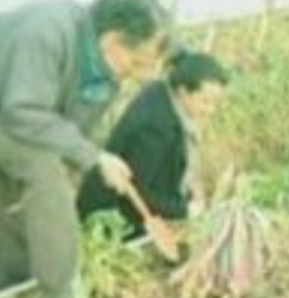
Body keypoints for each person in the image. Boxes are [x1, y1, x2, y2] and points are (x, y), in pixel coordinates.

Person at [0, 0, 169, 298]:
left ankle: (12, 286)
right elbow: (23, 112)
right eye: (137, 62)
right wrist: (92, 158)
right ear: (113, 41)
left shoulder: (107, 73)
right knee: (42, 173)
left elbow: (73, 131)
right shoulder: (47, 31)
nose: (140, 74)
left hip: (24, 108)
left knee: (23, 190)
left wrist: (89, 161)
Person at [78, 50, 230, 242]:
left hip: (133, 205)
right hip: (112, 220)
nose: (211, 110)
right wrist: (185, 210)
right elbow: (140, 191)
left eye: (216, 103)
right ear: (183, 92)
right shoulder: (155, 128)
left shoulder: (163, 92)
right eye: (205, 102)